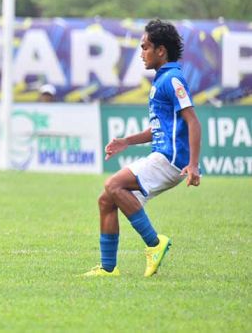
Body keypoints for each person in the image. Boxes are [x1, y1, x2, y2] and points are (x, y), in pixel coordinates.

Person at [82, 19, 201, 277]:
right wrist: (126, 141)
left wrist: (193, 164)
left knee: (114, 185)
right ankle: (108, 268)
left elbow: (193, 121)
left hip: (171, 159)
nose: (141, 53)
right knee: (106, 200)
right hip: (164, 155)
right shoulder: (162, 80)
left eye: (145, 47)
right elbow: (159, 129)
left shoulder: (173, 79)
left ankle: (154, 243)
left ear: (161, 51)